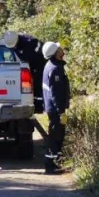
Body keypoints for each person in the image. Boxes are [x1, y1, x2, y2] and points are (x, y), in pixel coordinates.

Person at [41, 41, 70, 175]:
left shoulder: (51, 66)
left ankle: (56, 163)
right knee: (54, 137)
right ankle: (50, 165)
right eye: (59, 49)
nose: (62, 50)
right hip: (55, 110)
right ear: (55, 53)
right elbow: (56, 93)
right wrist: (61, 112)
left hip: (53, 109)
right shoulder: (55, 69)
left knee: (57, 136)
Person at [2, 31, 47, 111]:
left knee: (39, 87)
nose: (14, 47)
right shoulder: (12, 40)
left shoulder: (31, 42)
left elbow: (41, 54)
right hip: (31, 66)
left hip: (40, 67)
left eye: (14, 45)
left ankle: (42, 106)